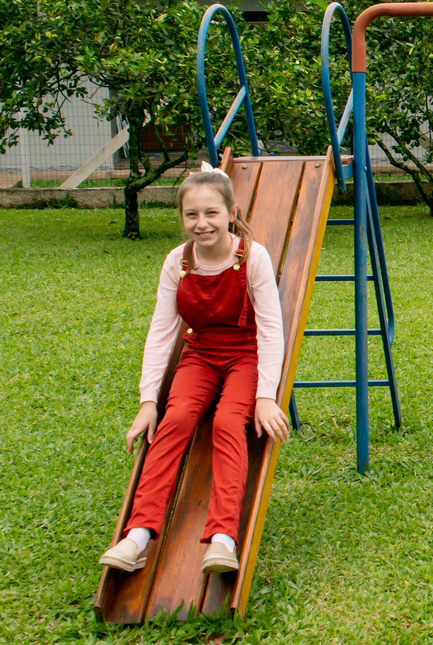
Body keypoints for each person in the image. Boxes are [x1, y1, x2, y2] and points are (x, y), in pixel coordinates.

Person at [99, 167, 290, 575]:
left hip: (245, 356)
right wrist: (148, 401)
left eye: (211, 213)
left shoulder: (251, 257)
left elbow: (272, 330)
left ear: (230, 213)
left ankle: (222, 538)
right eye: (191, 215)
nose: (201, 224)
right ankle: (138, 535)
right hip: (199, 355)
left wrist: (265, 396)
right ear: (182, 218)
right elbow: (160, 332)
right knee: (176, 417)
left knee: (226, 422)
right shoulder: (177, 261)